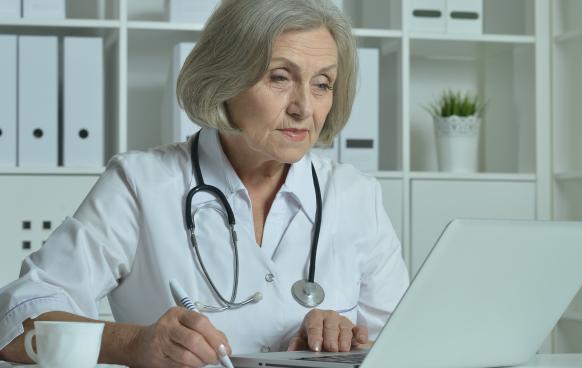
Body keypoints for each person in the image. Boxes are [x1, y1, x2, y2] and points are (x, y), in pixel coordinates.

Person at [0, 0, 409, 367]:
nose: (304, 106)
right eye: (280, 77)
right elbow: (19, 318)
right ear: (224, 78)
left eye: (322, 84)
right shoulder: (142, 184)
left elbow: (410, 346)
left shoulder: (356, 196)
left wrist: (340, 344)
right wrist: (132, 344)